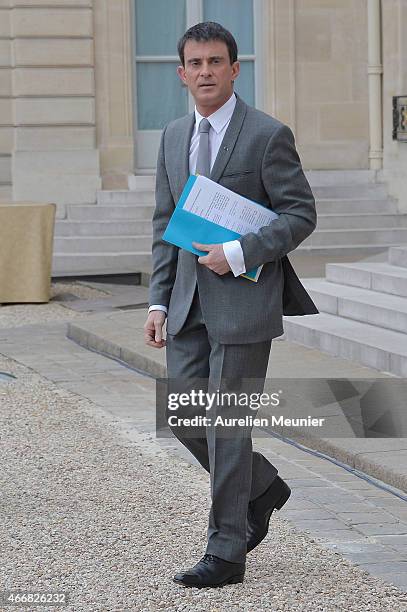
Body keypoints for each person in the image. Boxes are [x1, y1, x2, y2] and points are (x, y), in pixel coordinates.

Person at [144, 21, 317, 589]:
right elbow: (165, 226)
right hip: (187, 306)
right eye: (194, 64)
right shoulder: (172, 136)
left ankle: (226, 548)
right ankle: (263, 487)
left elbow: (299, 215)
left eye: (215, 62)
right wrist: (158, 302)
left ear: (235, 69)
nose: (205, 73)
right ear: (181, 73)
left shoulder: (267, 134)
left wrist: (239, 251)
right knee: (184, 417)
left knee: (225, 426)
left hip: (244, 304)